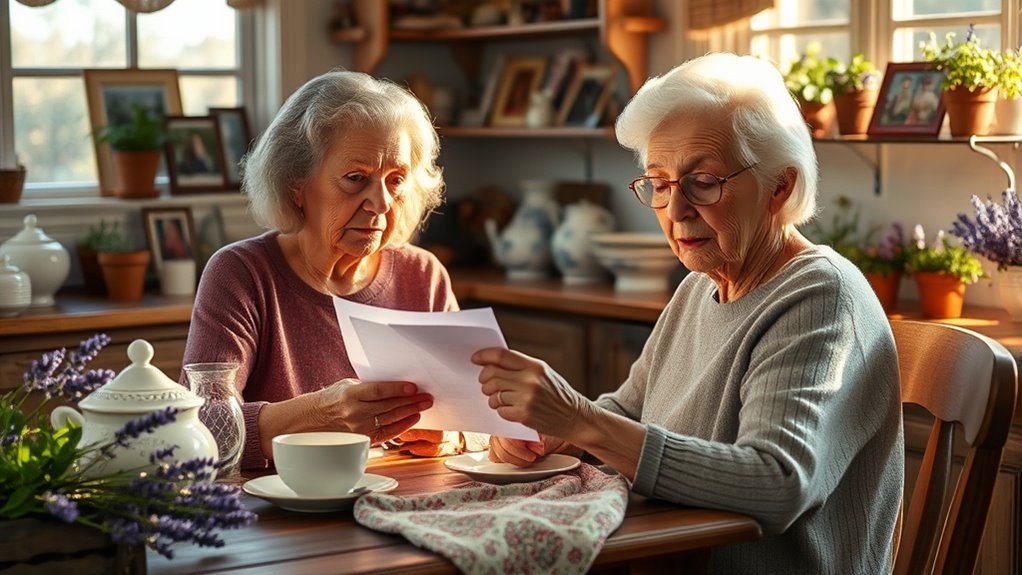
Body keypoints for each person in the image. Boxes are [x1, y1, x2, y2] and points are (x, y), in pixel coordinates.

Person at [471, 52, 904, 573]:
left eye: (704, 182)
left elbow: (777, 483)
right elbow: (628, 413)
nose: (675, 211)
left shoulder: (819, 298)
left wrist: (582, 421)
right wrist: (552, 432)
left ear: (780, 187)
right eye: (659, 183)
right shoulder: (700, 286)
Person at [181, 70, 485, 470]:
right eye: (356, 178)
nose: (380, 202)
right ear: (296, 185)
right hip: (279, 516)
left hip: (400, 502)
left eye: (396, 180)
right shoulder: (240, 275)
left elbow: (488, 415)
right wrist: (321, 415)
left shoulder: (422, 276)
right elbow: (200, 432)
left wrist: (452, 434)